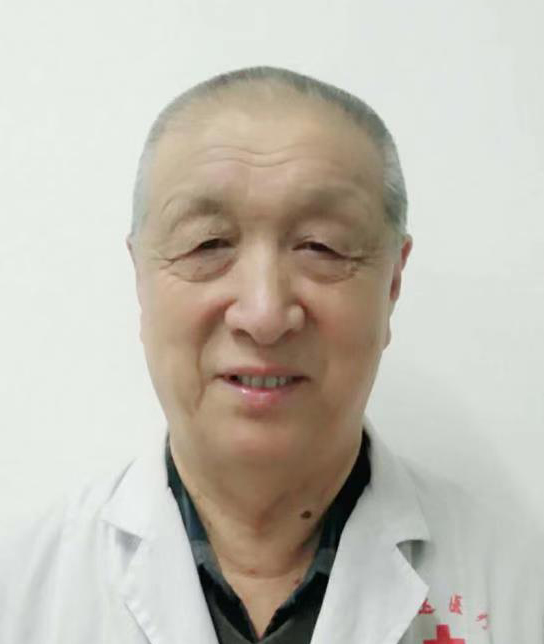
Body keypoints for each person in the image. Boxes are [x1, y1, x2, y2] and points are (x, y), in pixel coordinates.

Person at [1, 66, 542, 644]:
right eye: (207, 243)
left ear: (392, 284)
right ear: (141, 279)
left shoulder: (520, 591)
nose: (263, 314)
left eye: (322, 247)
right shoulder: (21, 591)